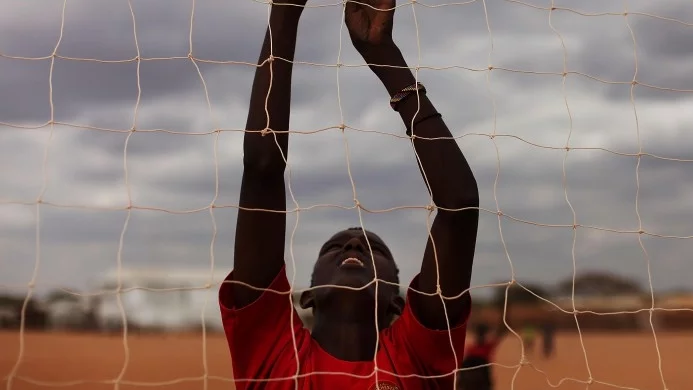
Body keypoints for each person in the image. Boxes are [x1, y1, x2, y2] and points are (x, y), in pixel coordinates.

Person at [219, 0, 480, 389]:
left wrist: (384, 56)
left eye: (377, 249)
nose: (355, 242)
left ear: (398, 299)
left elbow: (459, 209)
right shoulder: (273, 351)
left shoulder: (417, 356)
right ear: (306, 298)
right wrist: (285, 11)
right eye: (334, 247)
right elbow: (261, 169)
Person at [460, 318, 509, 389]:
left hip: (468, 372)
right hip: (483, 372)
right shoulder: (488, 346)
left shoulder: (470, 348)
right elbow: (500, 334)